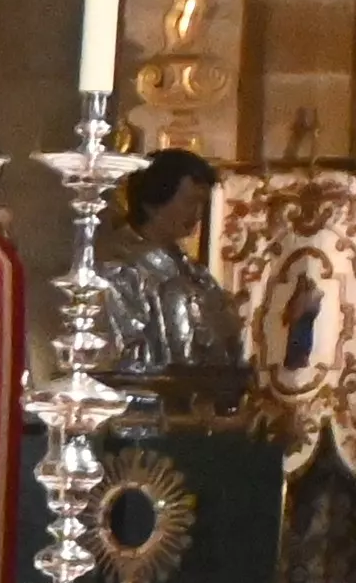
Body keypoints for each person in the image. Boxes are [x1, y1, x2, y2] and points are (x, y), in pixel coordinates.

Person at [103, 149, 251, 416]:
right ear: (153, 201)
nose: (197, 214)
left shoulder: (197, 275)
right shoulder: (120, 269)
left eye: (202, 204)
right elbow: (121, 357)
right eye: (190, 202)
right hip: (146, 416)